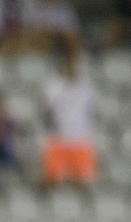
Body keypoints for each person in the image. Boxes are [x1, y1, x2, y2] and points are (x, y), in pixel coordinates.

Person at [41, 51, 96, 189]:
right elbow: (46, 110)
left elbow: (91, 110)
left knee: (82, 181)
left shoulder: (86, 88)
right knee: (50, 180)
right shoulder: (53, 87)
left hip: (79, 138)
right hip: (58, 139)